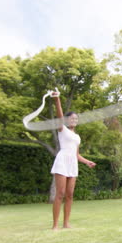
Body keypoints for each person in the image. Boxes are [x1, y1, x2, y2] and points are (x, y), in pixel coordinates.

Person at [50, 91, 96, 230]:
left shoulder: (77, 137)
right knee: (60, 194)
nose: (74, 121)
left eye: (76, 119)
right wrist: (57, 99)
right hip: (62, 162)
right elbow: (59, 114)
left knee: (69, 195)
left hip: (73, 164)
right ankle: (55, 225)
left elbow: (76, 154)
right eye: (71, 118)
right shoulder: (62, 129)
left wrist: (87, 161)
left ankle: (66, 223)